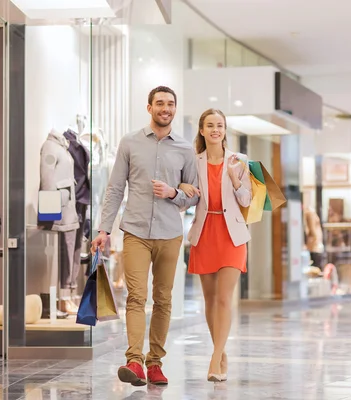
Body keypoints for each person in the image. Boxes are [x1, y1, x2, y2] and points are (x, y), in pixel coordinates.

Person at [91, 86, 198, 386]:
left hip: (169, 234)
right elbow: (114, 189)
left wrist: (174, 192)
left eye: (171, 104)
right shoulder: (130, 143)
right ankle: (134, 362)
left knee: (163, 300)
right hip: (135, 231)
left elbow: (194, 196)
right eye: (160, 103)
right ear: (149, 107)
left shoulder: (185, 149)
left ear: (175, 109)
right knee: (136, 297)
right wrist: (104, 230)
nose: (166, 108)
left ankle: (155, 364)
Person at [179, 108, 252, 382]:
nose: (215, 130)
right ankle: (220, 354)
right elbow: (188, 196)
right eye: (210, 125)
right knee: (209, 301)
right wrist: (181, 188)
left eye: (219, 125)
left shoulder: (239, 160)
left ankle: (215, 357)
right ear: (201, 130)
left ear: (225, 129)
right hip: (205, 231)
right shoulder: (193, 161)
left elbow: (246, 201)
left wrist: (235, 181)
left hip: (232, 234)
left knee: (224, 299)